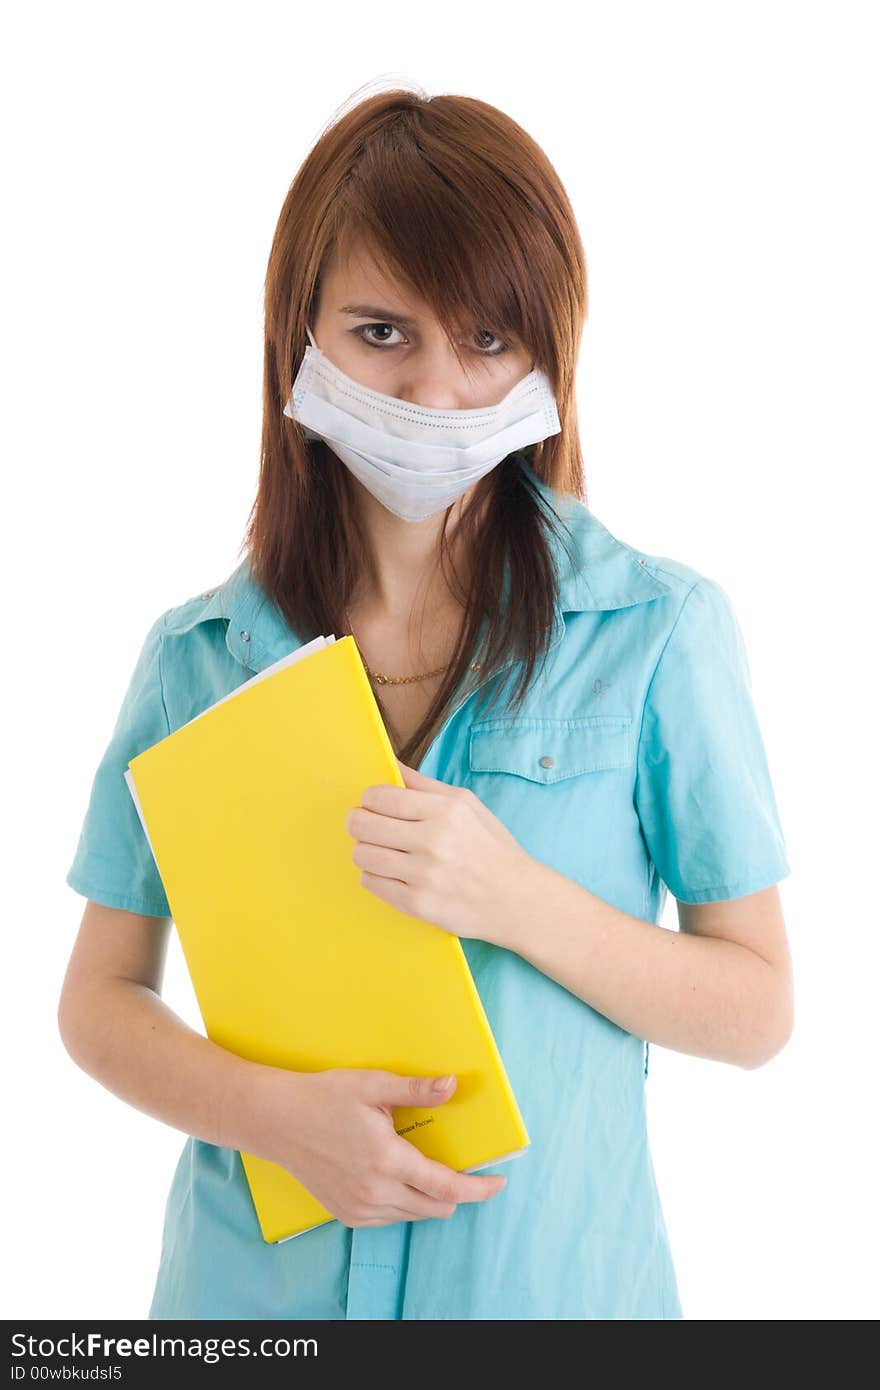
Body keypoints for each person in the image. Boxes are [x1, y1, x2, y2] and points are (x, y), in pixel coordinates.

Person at [58, 86, 794, 1321]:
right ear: (299, 335)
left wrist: (517, 901)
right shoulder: (194, 656)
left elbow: (759, 1005)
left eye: (489, 341)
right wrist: (274, 1118)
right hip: (251, 1303)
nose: (436, 394)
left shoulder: (660, 633)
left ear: (549, 355)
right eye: (381, 333)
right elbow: (98, 998)